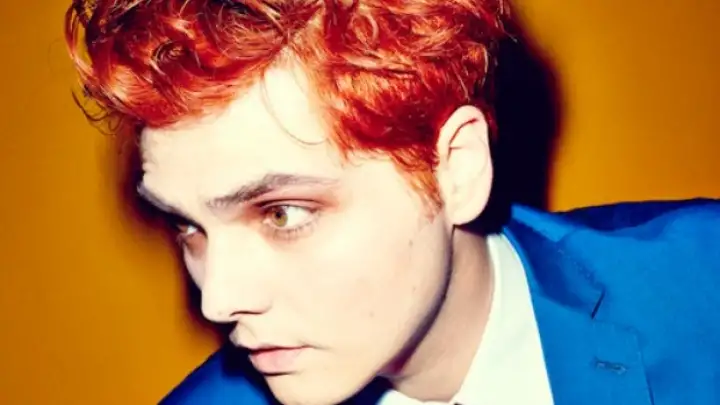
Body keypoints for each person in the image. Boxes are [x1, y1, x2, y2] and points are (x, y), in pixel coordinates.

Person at [64, 0, 720, 404]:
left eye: (282, 213)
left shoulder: (703, 283)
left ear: (458, 168)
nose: (217, 299)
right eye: (187, 225)